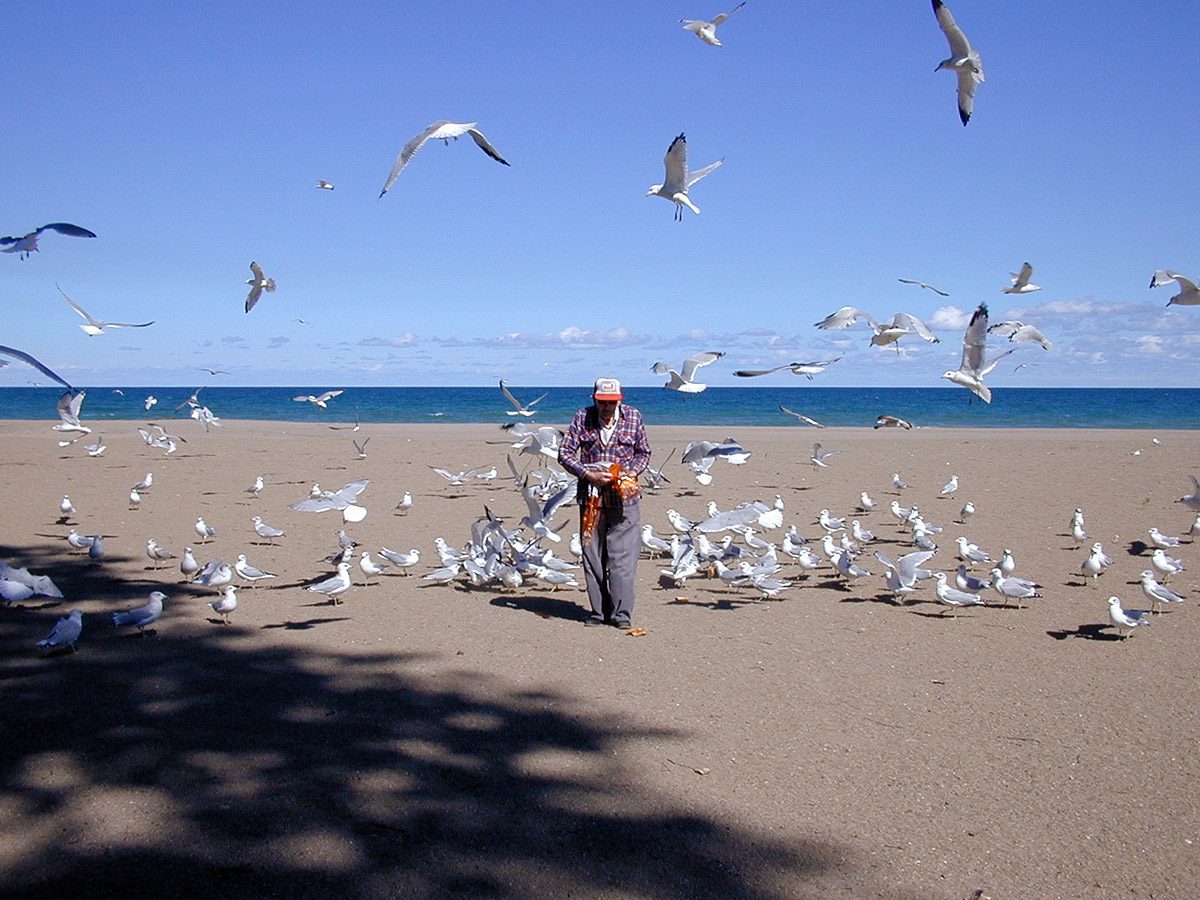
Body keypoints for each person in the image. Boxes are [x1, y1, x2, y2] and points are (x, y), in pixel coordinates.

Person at [558, 377, 651, 629]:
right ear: (594, 400)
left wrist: (629, 473)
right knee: (592, 555)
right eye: (602, 402)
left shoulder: (633, 417)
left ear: (620, 400)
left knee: (622, 559)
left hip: (625, 500)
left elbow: (644, 452)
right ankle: (599, 612)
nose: (607, 408)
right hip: (591, 499)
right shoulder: (582, 418)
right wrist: (587, 474)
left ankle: (621, 615)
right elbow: (564, 453)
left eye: (612, 402)